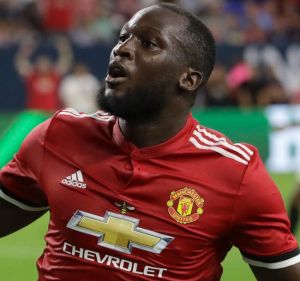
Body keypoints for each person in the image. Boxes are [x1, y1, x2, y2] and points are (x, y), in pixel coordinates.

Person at [1, 3, 300, 281]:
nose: (122, 50)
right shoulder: (59, 135)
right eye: (122, 37)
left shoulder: (236, 174)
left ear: (189, 79)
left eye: (148, 43)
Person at [15, 36, 73, 111]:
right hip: (34, 111)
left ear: (50, 65)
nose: (43, 65)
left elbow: (66, 61)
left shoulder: (54, 75)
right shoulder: (32, 76)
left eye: (46, 63)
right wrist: (26, 49)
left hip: (52, 111)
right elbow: (20, 63)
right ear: (36, 65)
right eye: (41, 63)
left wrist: (63, 49)